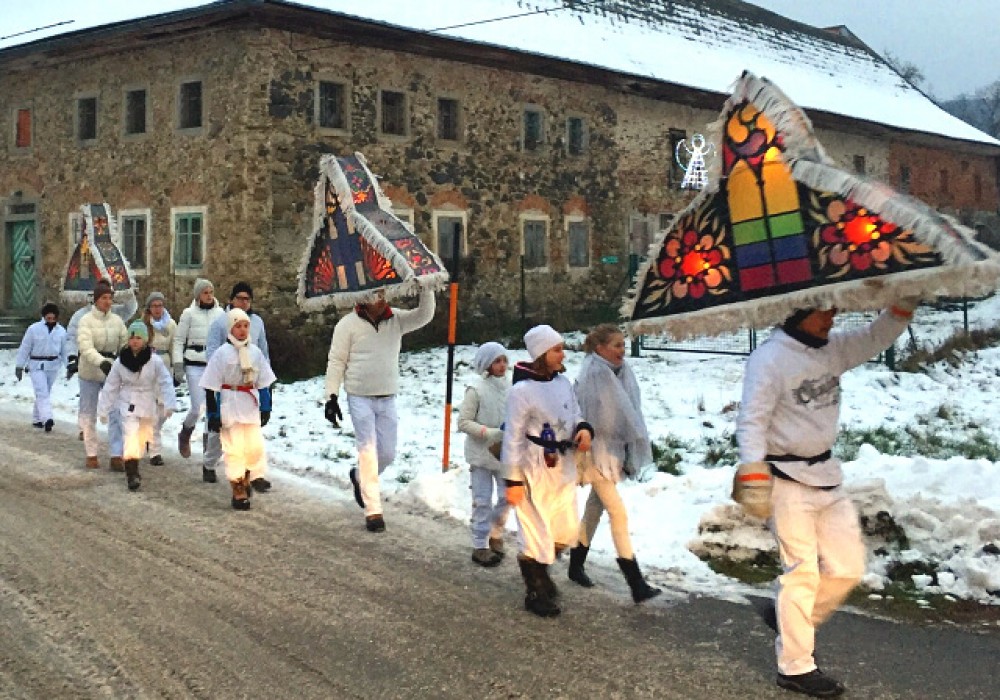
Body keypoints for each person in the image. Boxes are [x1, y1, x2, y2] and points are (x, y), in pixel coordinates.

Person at [735, 300, 917, 698]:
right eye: (824, 311)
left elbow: (873, 338)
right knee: (801, 572)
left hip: (827, 476)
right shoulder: (769, 358)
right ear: (798, 312)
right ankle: (796, 667)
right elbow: (751, 419)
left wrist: (901, 307)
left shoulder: (830, 348)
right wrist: (752, 470)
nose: (833, 317)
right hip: (784, 479)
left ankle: (791, 622)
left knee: (849, 567)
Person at [323, 288, 436, 533]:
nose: (381, 298)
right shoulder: (347, 325)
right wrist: (331, 396)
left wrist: (425, 286)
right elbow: (337, 360)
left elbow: (425, 315)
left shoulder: (396, 319)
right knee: (368, 450)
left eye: (383, 294)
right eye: (376, 294)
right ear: (363, 297)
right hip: (359, 396)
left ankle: (358, 476)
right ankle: (373, 510)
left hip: (387, 395)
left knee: (387, 453)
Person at [502, 324, 592, 617]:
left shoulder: (563, 382)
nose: (562, 353)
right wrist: (513, 479)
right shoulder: (521, 391)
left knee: (565, 529)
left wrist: (582, 429)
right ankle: (536, 589)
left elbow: (575, 412)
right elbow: (513, 437)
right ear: (541, 353)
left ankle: (541, 569)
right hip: (534, 467)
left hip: (562, 466)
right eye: (556, 349)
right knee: (535, 529)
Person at [569, 324, 661, 604]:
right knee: (618, 513)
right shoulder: (595, 373)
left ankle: (575, 565)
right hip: (595, 451)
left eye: (623, 345)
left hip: (610, 451)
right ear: (600, 349)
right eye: (616, 345)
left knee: (594, 510)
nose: (622, 350)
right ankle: (635, 581)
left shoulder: (619, 371)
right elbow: (606, 416)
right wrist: (629, 436)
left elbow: (629, 409)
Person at [200, 308, 276, 510]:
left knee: (253, 446)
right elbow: (210, 385)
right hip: (229, 402)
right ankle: (238, 488)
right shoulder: (222, 354)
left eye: (245, 326)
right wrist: (213, 413)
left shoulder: (255, 352)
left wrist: (266, 405)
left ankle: (249, 475)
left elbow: (264, 381)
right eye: (238, 326)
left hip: (249, 403)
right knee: (234, 447)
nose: (242, 330)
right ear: (230, 328)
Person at [202, 281, 270, 485]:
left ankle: (254, 473)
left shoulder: (257, 322)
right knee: (220, 431)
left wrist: (265, 383)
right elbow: (212, 350)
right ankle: (209, 462)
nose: (243, 302)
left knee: (252, 435)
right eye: (239, 298)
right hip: (227, 383)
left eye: (247, 299)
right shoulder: (220, 322)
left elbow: (263, 350)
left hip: (249, 382)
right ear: (231, 300)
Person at [97, 320, 176, 491]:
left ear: (146, 340)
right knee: (130, 435)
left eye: (139, 337)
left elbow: (165, 381)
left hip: (147, 403)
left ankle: (136, 461)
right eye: (132, 337)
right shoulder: (120, 362)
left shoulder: (154, 361)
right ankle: (131, 472)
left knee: (143, 437)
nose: (135, 341)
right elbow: (111, 385)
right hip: (128, 402)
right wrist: (103, 409)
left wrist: (169, 403)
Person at [457, 342, 511, 567]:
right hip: (480, 453)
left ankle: (495, 531)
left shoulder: (511, 387)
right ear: (486, 364)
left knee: (508, 496)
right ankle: (480, 544)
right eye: (496, 361)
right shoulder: (476, 389)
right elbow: (463, 422)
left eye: (504, 360)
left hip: (504, 453)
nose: (502, 365)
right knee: (482, 500)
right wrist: (488, 433)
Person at [76, 279, 129, 470]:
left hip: (112, 373)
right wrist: (101, 362)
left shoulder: (117, 321)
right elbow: (85, 347)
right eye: (104, 298)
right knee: (89, 412)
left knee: (115, 412)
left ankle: (116, 454)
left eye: (110, 298)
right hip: (90, 371)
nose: (108, 302)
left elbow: (124, 342)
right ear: (96, 300)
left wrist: (127, 357)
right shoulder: (86, 321)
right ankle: (91, 453)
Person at [172, 278, 225, 460]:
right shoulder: (188, 314)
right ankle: (186, 432)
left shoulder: (220, 314)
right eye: (205, 293)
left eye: (211, 292)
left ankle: (207, 448)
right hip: (194, 364)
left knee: (212, 409)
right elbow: (179, 340)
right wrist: (178, 365)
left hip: (214, 365)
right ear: (198, 295)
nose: (209, 296)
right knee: (197, 408)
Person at [14, 301, 68, 432]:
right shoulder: (33, 329)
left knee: (45, 391)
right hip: (36, 365)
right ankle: (47, 418)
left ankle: (37, 418)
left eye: (53, 318)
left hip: (53, 365)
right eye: (48, 318)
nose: (50, 321)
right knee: (42, 391)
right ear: (43, 317)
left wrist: (69, 366)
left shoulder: (61, 331)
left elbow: (65, 350)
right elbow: (25, 347)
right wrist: (19, 365)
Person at [143, 291, 177, 466]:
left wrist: (177, 368)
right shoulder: (143, 324)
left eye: (160, 305)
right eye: (154, 306)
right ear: (149, 308)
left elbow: (174, 346)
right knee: (151, 410)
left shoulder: (170, 324)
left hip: (165, 365)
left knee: (163, 409)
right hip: (148, 366)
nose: (157, 309)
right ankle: (155, 451)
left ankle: (150, 434)